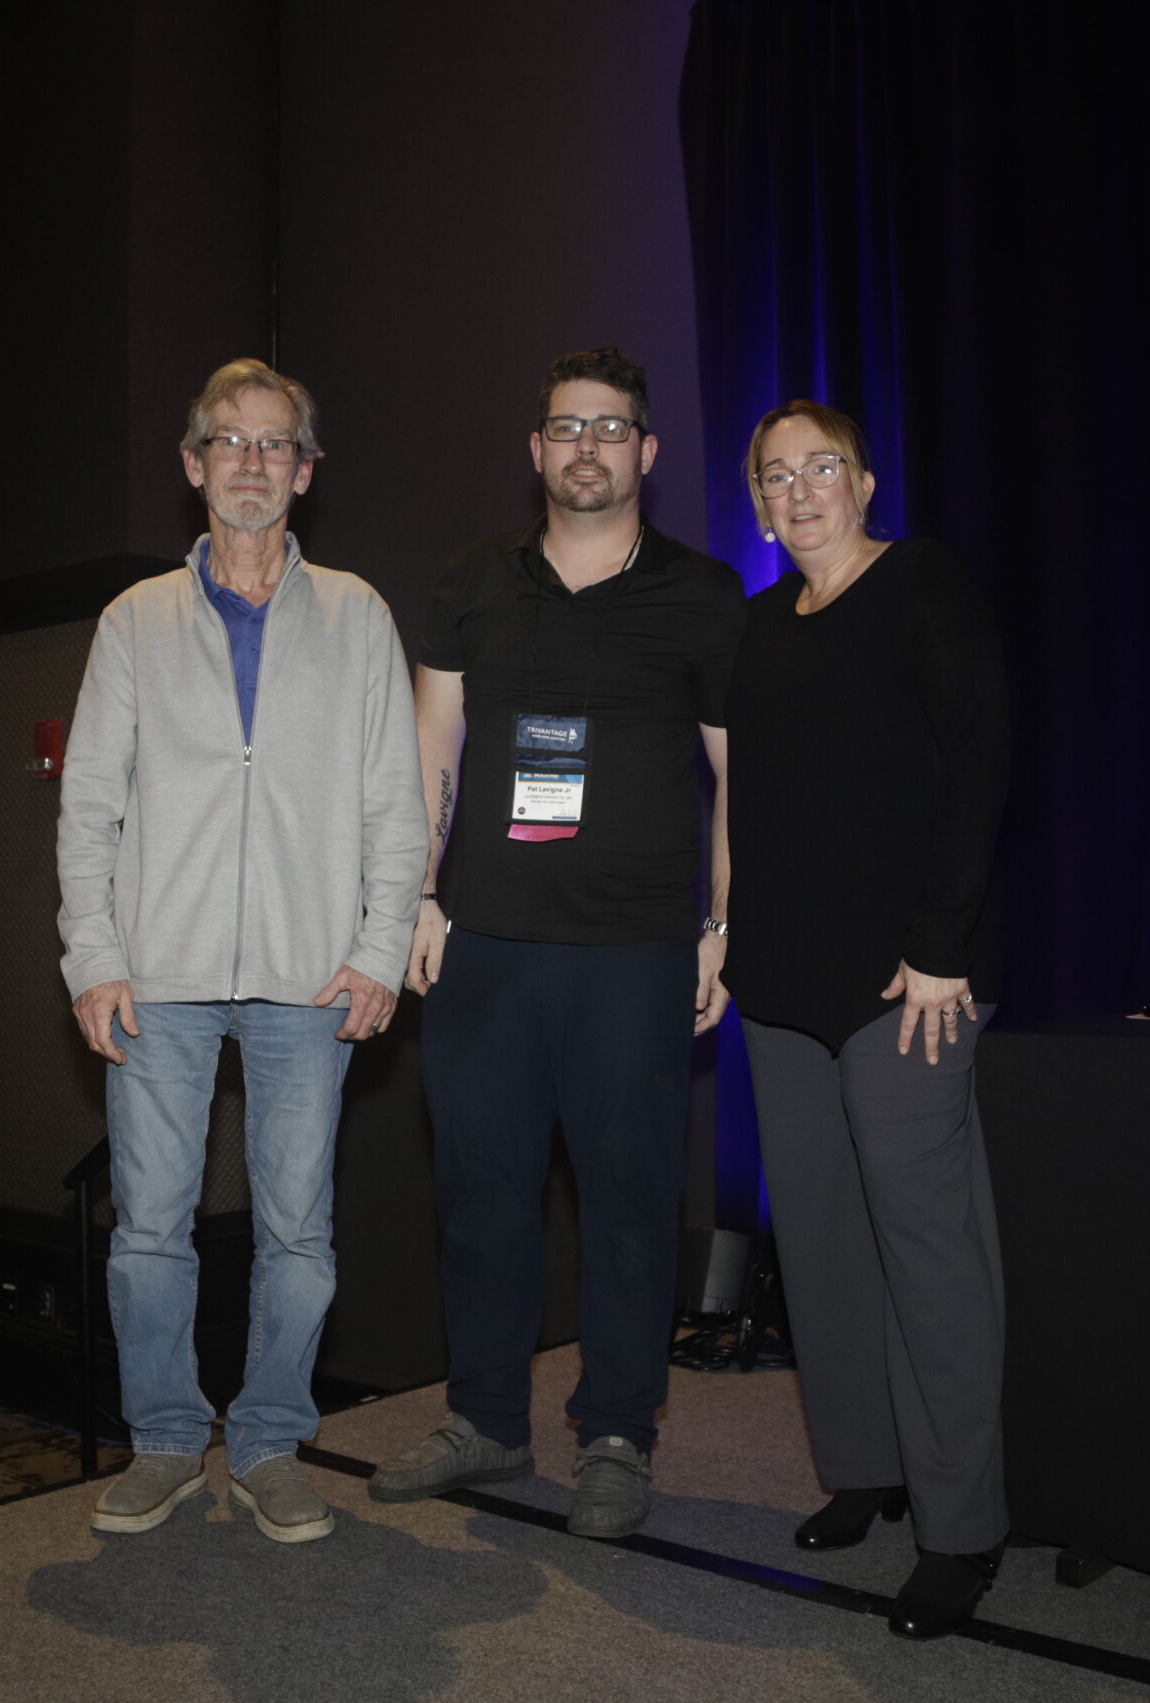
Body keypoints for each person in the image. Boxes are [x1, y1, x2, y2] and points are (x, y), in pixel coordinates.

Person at [371, 347, 745, 1540]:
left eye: (611, 426)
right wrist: (417, 901)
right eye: (564, 426)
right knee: (481, 1193)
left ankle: (618, 1435)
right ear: (535, 449)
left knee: (631, 1202)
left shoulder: (704, 592)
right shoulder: (472, 580)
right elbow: (434, 745)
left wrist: (722, 926)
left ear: (645, 451)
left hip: (637, 950)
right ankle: (485, 1417)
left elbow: (740, 778)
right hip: (483, 942)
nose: (586, 445)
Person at [57, 357, 424, 1546]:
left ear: (305, 472)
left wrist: (378, 948)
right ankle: (164, 1435)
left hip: (310, 975)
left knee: (298, 1232)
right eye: (232, 441)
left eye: (275, 445)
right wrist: (90, 957)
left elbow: (396, 801)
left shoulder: (360, 614)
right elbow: (88, 810)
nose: (253, 462)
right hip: (153, 978)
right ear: (193, 464)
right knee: (150, 1227)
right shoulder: (134, 620)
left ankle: (269, 1438)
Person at [716, 400, 1013, 1639]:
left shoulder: (920, 583)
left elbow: (981, 751)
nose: (799, 491)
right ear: (757, 500)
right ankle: (865, 1469)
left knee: (932, 1256)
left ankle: (962, 1526)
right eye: (774, 475)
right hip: (778, 987)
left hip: (906, 986)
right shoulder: (752, 628)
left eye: (819, 467)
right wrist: (719, 930)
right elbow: (741, 798)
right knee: (824, 1249)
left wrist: (941, 945)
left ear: (864, 479)